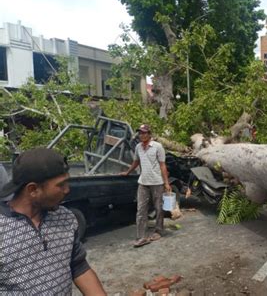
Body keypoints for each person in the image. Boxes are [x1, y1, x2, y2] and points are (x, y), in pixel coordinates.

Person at [0, 148, 106, 295]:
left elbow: (78, 266)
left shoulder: (65, 218)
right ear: (33, 189)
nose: (67, 190)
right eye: (61, 185)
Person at [121, 124, 171, 248]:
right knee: (141, 210)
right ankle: (141, 237)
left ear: (149, 134)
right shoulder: (138, 147)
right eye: (140, 133)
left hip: (157, 183)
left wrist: (166, 183)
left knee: (159, 208)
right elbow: (136, 161)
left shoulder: (158, 147)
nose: (142, 135)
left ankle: (159, 230)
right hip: (143, 182)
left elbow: (162, 165)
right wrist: (128, 172)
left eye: (144, 133)